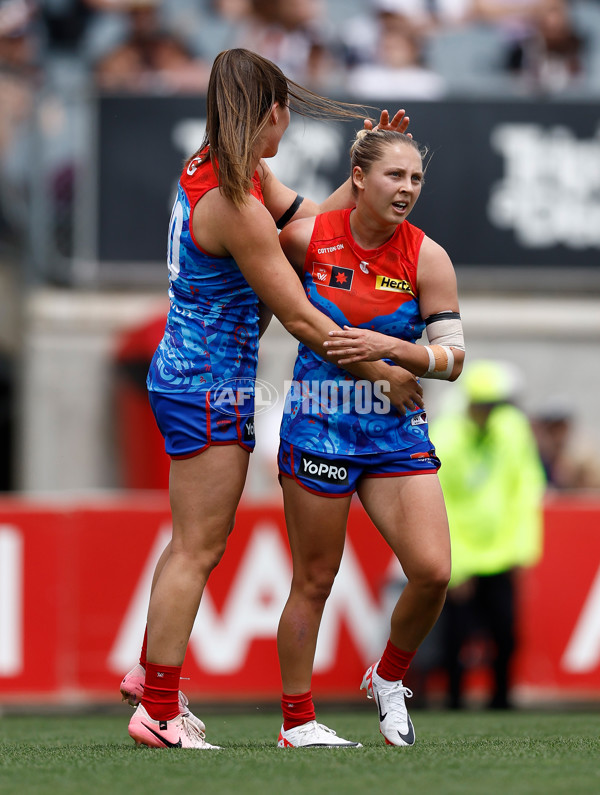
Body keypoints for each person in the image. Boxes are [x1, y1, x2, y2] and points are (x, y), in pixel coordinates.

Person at [119, 47, 422, 750]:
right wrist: (382, 367)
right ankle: (158, 710)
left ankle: (150, 678)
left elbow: (310, 224)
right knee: (200, 545)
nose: (288, 127)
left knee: (189, 543)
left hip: (188, 373)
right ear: (274, 113)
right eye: (287, 114)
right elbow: (302, 317)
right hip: (209, 384)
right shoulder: (237, 202)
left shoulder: (222, 170)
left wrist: (363, 181)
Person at [275, 127, 465, 748]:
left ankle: (390, 680)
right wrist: (377, 370)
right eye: (394, 176)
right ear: (358, 178)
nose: (407, 189)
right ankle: (298, 722)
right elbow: (292, 315)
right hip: (320, 423)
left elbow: (452, 359)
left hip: (394, 430)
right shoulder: (305, 240)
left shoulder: (427, 256)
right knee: (315, 578)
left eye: (415, 179)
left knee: (434, 571)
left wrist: (393, 349)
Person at [431, 360, 545, 709]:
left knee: (506, 634)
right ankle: (452, 703)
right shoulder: (445, 437)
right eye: (488, 405)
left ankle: (501, 702)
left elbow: (525, 488)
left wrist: (520, 551)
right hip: (462, 555)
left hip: (501, 553)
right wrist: (457, 566)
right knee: (456, 636)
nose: (493, 412)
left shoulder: (513, 430)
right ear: (472, 403)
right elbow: (440, 505)